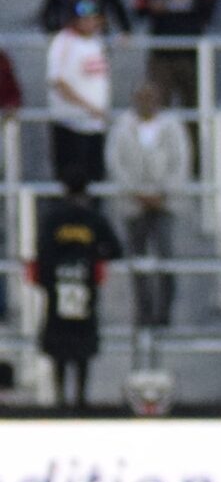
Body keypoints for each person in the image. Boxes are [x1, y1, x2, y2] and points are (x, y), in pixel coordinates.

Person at [30, 174, 123, 411]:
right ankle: (79, 397)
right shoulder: (92, 219)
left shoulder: (53, 219)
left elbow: (41, 252)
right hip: (82, 289)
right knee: (79, 344)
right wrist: (92, 259)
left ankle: (62, 397)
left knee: (61, 343)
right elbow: (115, 249)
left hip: (61, 290)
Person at [105, 79, 190, 332]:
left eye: (151, 97)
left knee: (165, 257)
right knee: (138, 261)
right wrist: (136, 192)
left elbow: (181, 162)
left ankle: (164, 313)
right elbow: (115, 163)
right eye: (142, 97)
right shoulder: (122, 128)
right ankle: (144, 313)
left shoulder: (172, 127)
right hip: (133, 206)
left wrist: (164, 192)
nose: (146, 102)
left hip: (165, 203)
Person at [133, 0, 218, 128]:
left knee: (194, 110)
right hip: (162, 54)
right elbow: (138, 9)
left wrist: (186, 2)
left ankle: (194, 156)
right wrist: (152, 5)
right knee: (158, 109)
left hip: (190, 53)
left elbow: (208, 8)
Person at [46, 0, 112, 191]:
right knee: (72, 180)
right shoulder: (63, 41)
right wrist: (88, 108)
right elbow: (58, 81)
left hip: (95, 124)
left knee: (96, 178)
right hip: (71, 124)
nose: (89, 23)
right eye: (84, 19)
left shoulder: (96, 42)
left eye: (93, 18)